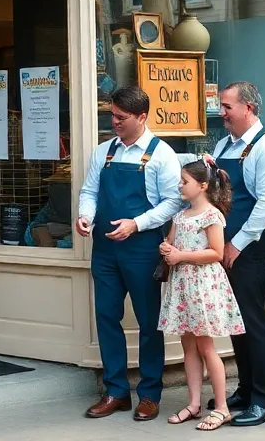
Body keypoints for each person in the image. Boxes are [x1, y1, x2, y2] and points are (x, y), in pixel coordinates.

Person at [77, 86, 183, 422]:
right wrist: (85, 216)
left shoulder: (161, 154)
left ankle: (150, 393)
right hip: (105, 249)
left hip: (142, 249)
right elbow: (89, 191)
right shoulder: (103, 152)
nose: (115, 122)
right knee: (106, 317)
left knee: (149, 322)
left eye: (121, 117)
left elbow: (173, 202)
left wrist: (136, 224)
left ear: (141, 116)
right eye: (112, 115)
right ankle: (116, 391)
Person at [204, 82, 265, 427]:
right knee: (235, 321)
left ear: (248, 108)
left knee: (253, 322)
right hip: (223, 245)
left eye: (227, 106)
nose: (221, 112)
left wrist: (236, 244)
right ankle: (247, 389)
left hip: (249, 247)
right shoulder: (224, 144)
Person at [158, 159, 245, 431]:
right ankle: (194, 403)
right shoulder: (180, 216)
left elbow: (216, 252)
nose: (180, 185)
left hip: (202, 286)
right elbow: (171, 241)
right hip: (183, 285)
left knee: (206, 347)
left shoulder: (211, 215)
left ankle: (221, 407)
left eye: (185, 181)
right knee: (188, 346)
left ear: (203, 185)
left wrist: (181, 255)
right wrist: (166, 248)